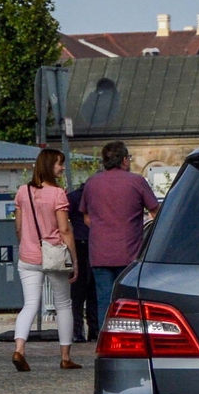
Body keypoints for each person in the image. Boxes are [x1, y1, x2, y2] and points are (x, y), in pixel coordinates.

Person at [76, 139, 161, 330]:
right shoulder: (137, 182)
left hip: (100, 254)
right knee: (130, 304)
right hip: (130, 253)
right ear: (124, 160)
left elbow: (87, 218)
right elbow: (157, 213)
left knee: (105, 301)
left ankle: (105, 343)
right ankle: (129, 343)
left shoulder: (91, 183)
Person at [13, 147, 78, 373]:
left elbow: (19, 227)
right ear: (50, 166)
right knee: (63, 305)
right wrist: (74, 261)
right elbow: (65, 230)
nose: (61, 168)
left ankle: (19, 349)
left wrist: (27, 245)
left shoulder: (23, 191)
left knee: (30, 304)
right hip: (54, 256)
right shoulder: (58, 193)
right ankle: (65, 357)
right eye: (59, 164)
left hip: (27, 256)